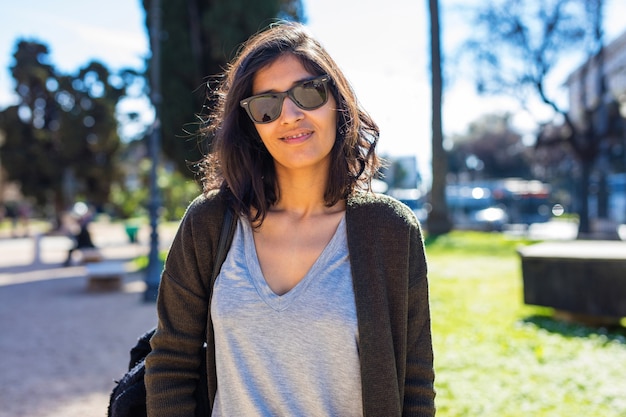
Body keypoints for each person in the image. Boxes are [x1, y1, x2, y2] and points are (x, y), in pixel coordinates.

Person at [145, 21, 435, 417]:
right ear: (252, 125)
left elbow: (415, 384)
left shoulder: (390, 230)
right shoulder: (209, 223)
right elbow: (171, 364)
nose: (290, 115)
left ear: (338, 100)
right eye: (266, 104)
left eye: (308, 92)